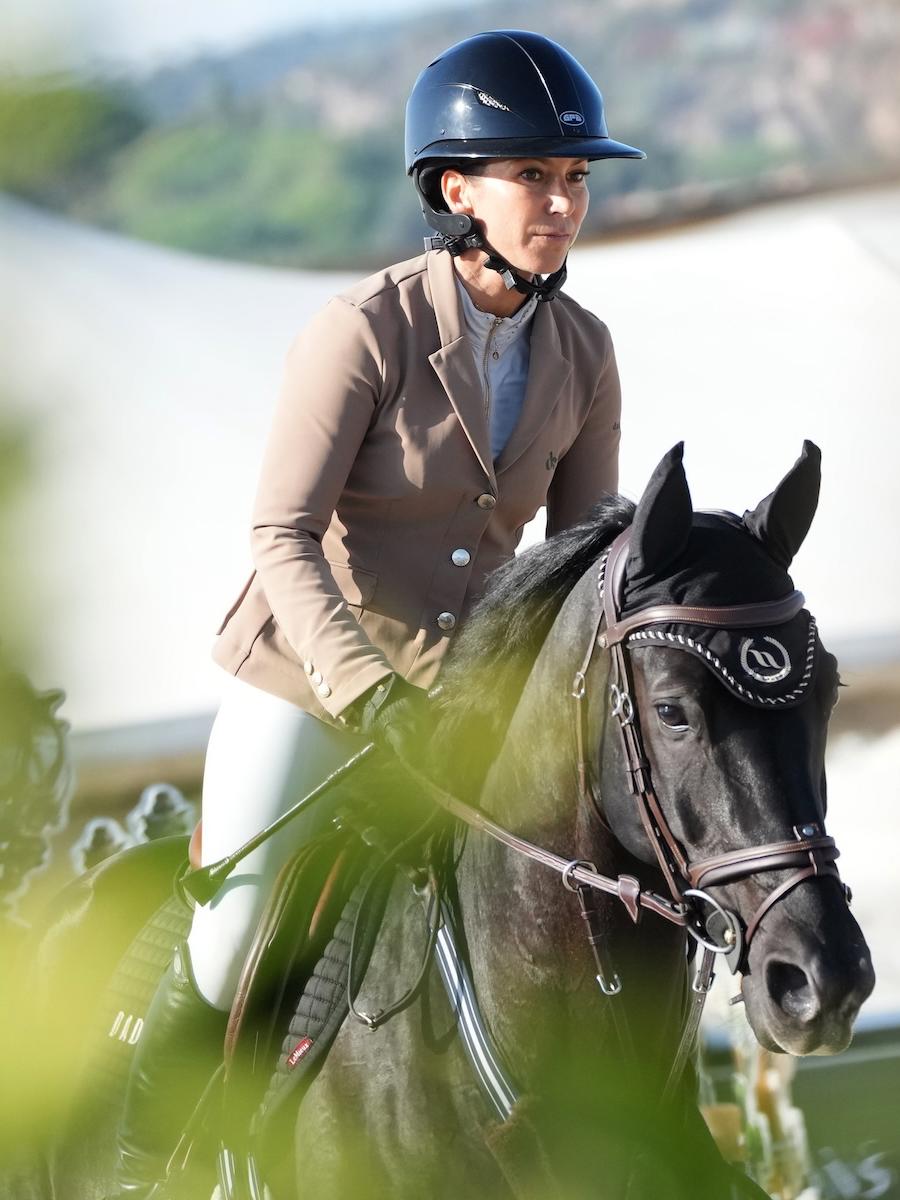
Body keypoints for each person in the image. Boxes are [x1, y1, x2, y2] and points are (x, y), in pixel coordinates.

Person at [111, 29, 644, 1197]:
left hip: (462, 706)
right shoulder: (363, 332)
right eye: (533, 178)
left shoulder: (587, 351)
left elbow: (583, 556)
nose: (561, 204)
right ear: (456, 190)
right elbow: (279, 537)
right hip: (306, 682)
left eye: (575, 181)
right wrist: (368, 691)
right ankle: (149, 1164)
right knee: (232, 935)